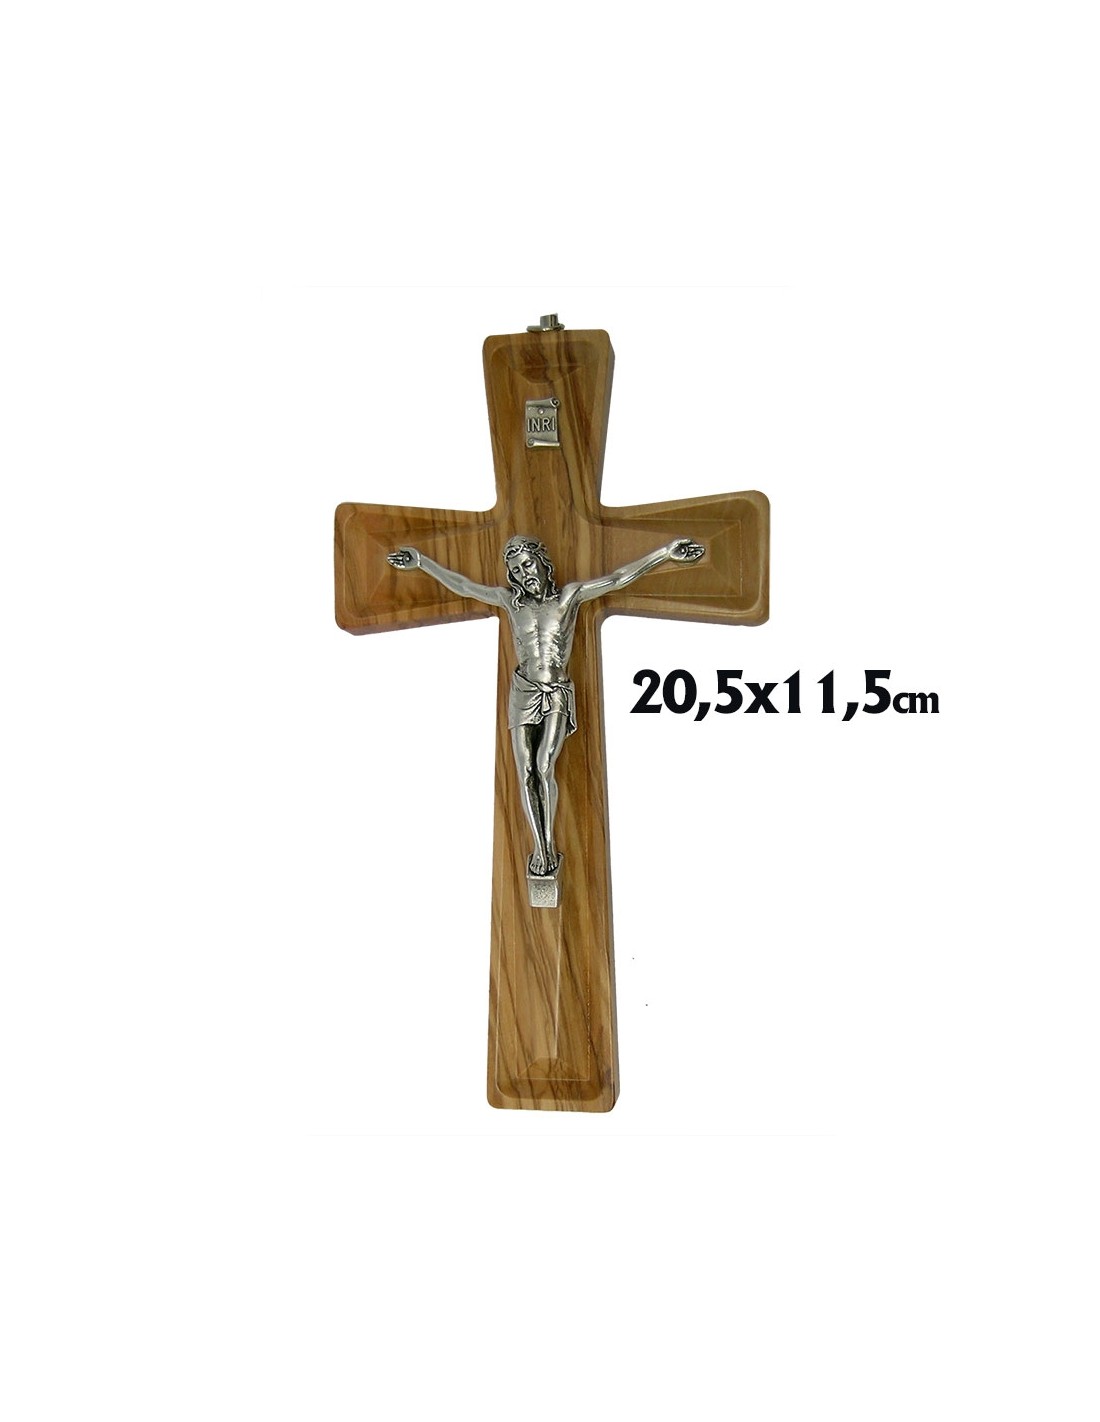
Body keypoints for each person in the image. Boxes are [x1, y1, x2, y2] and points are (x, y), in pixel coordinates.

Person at [388, 534, 704, 878]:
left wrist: (664, 554)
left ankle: (548, 841)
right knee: (524, 772)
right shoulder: (510, 602)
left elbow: (616, 579)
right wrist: (423, 563)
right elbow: (464, 586)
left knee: (543, 765)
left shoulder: (568, 598)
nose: (524, 574)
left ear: (542, 562)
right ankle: (541, 848)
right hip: (523, 691)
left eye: (527, 564)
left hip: (555, 691)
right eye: (516, 570)